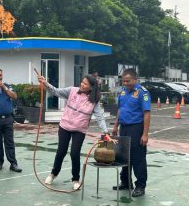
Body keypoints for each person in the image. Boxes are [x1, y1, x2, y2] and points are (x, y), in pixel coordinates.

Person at [37, 74, 109, 190]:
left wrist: (105, 131)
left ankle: (75, 179)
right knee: (61, 152)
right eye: (82, 82)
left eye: (85, 84)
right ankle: (53, 174)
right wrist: (45, 82)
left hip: (79, 130)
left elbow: (100, 116)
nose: (82, 84)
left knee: (75, 154)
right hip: (64, 127)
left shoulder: (94, 100)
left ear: (91, 87)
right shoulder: (72, 90)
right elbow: (55, 91)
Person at [112, 68, 151, 197]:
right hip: (123, 127)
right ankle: (126, 182)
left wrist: (145, 134)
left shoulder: (142, 93)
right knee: (123, 155)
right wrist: (115, 126)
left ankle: (140, 185)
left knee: (137, 157)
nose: (126, 83)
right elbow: (120, 110)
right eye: (124, 81)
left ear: (135, 79)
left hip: (136, 127)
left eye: (128, 81)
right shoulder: (123, 92)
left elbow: (146, 114)